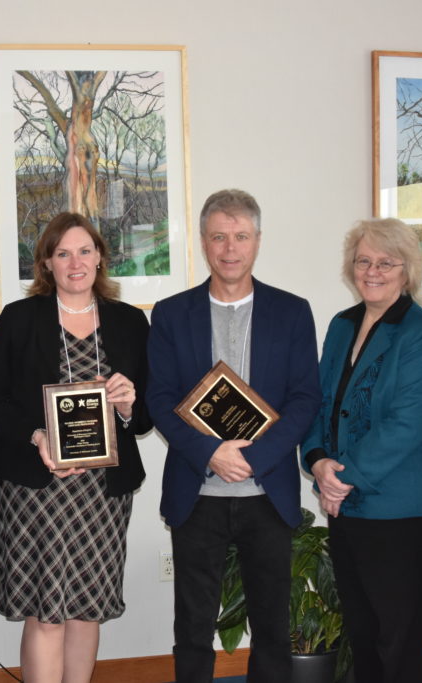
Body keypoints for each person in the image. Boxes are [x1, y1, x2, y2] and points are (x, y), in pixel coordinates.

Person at [147, 189, 320, 682]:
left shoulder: (292, 312)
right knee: (193, 626)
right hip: (196, 491)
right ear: (203, 242)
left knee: (272, 626)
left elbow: (305, 398)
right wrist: (212, 454)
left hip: (267, 491)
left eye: (240, 236)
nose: (229, 248)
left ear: (257, 241)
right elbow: (158, 399)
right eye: (219, 236)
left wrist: (255, 458)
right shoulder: (171, 313)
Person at [0, 212, 151, 683]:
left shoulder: (131, 322)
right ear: (47, 264)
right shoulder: (19, 319)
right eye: (62, 253)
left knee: (86, 608)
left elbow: (146, 415)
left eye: (84, 250)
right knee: (47, 612)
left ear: (99, 257)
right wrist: (36, 436)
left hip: (102, 493)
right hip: (38, 486)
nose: (75, 262)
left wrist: (126, 406)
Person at [300, 218, 422, 682]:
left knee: (400, 638)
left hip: (402, 510)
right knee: (362, 631)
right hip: (348, 507)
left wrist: (338, 481)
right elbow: (319, 401)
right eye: (364, 260)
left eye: (386, 262)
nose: (373, 271)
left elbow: (409, 425)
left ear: (407, 271)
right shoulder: (342, 325)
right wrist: (318, 460)